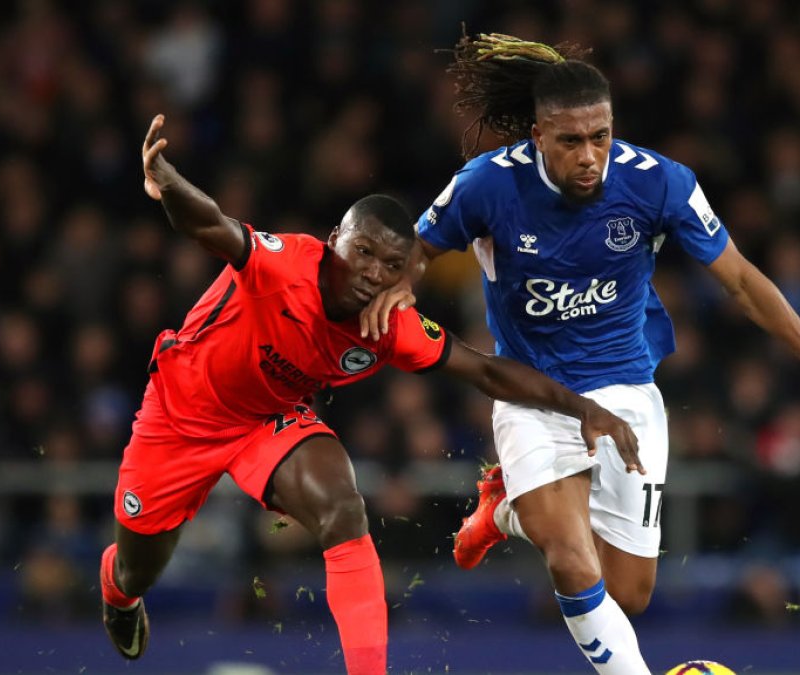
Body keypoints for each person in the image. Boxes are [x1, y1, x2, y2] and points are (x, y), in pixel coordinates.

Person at [361, 33, 800, 673]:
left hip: (626, 392)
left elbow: (740, 280)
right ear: (539, 136)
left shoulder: (660, 184)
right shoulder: (487, 184)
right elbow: (421, 249)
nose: (590, 155)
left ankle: (507, 509)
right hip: (531, 393)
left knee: (627, 592)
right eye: (571, 141)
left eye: (600, 136)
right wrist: (400, 286)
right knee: (570, 557)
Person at [99, 114, 642, 674]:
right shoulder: (284, 265)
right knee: (138, 570)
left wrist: (583, 407)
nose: (373, 274)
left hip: (269, 420)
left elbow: (486, 372)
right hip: (181, 414)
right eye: (363, 253)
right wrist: (165, 179)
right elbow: (211, 225)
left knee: (343, 507)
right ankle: (118, 592)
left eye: (390, 265)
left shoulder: (388, 324)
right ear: (335, 241)